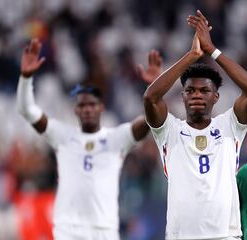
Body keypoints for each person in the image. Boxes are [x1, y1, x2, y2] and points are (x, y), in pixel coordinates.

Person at [16, 38, 162, 240]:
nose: (87, 110)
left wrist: (154, 91)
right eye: (82, 105)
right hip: (68, 231)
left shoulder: (115, 139)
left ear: (101, 107)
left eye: (92, 105)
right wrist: (25, 78)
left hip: (104, 231)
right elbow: (27, 111)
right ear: (76, 109)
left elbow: (149, 121)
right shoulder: (63, 136)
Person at [143, 10, 247, 240]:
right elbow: (150, 98)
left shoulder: (230, 126)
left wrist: (213, 51)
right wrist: (193, 55)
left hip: (226, 235)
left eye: (205, 90)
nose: (197, 95)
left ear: (216, 97)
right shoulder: (169, 130)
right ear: (183, 96)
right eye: (190, 90)